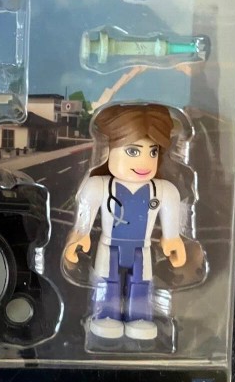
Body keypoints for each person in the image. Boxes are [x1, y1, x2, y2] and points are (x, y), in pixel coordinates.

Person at [64, 104, 186, 340]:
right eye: (133, 151)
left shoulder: (162, 190)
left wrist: (172, 239)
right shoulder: (100, 186)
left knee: (142, 282)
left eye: (152, 152)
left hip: (143, 248)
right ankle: (105, 314)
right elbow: (85, 214)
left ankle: (140, 317)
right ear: (109, 149)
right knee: (107, 281)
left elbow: (172, 223)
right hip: (109, 245)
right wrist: (80, 235)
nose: (145, 161)